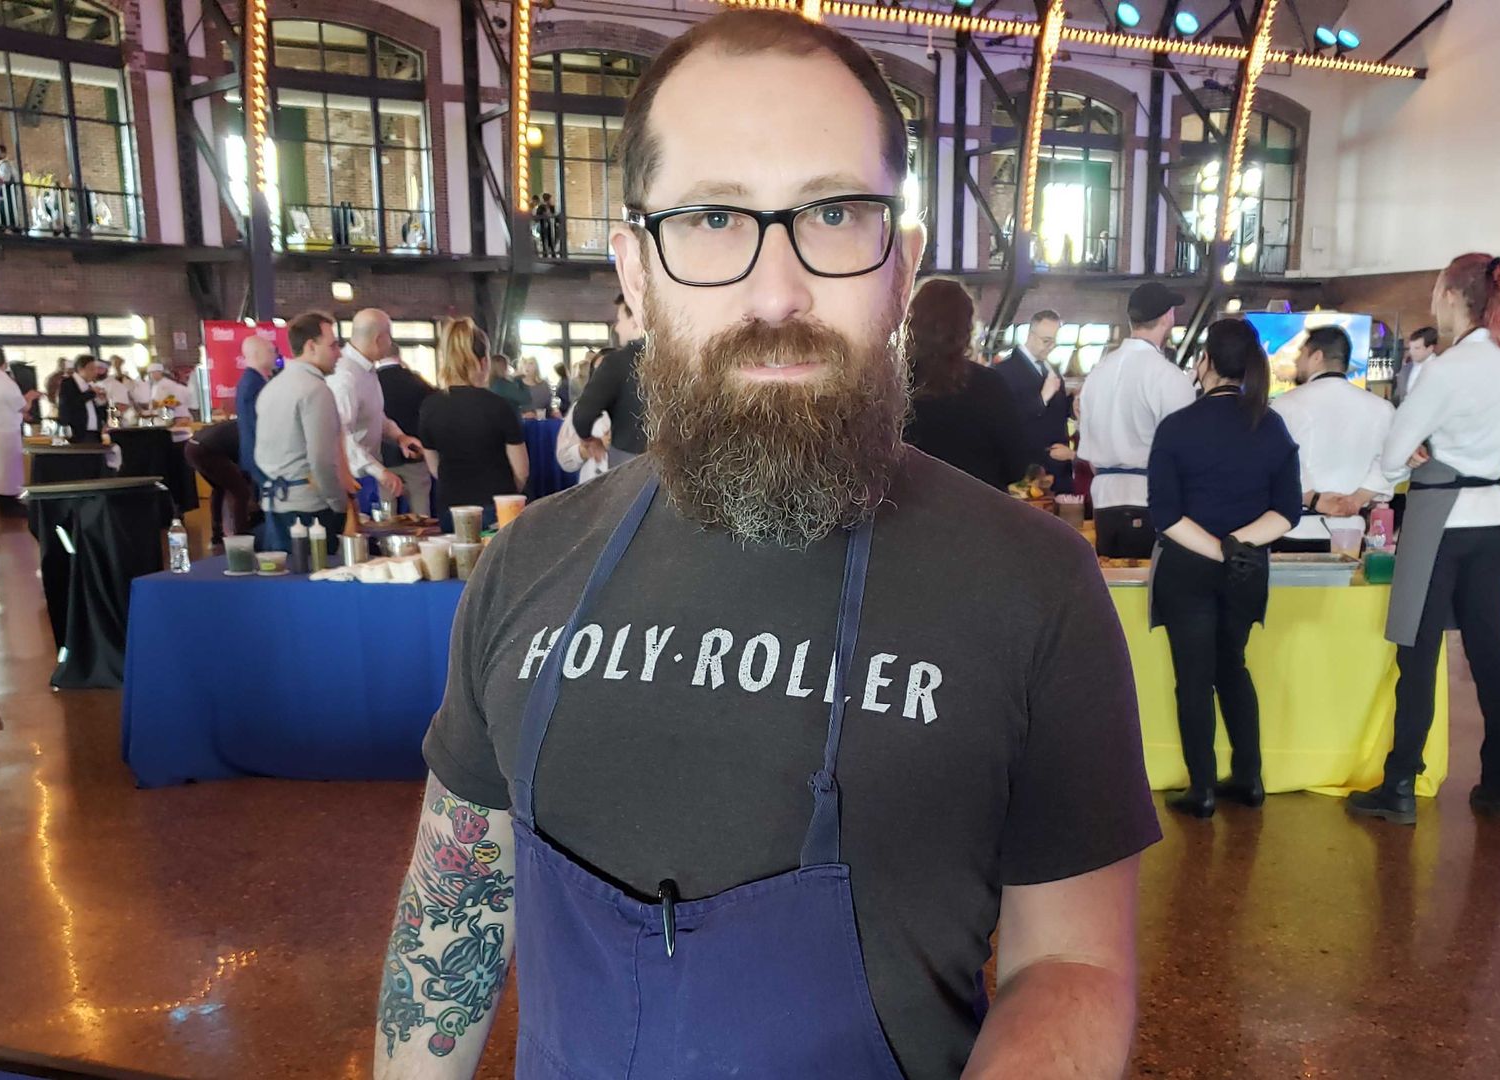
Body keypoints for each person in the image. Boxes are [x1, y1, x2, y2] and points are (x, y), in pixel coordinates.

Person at [375, 12, 1157, 1078]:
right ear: (636, 273)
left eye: (833, 214)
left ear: (900, 266)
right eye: (711, 218)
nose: (777, 292)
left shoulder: (1034, 587)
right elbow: (453, 905)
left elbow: (1070, 962)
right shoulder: (524, 565)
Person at [1347, 253, 1500, 826]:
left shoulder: (1446, 369)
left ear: (1452, 294)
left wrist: (1406, 458)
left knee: (1418, 651)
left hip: (1440, 516)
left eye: (1434, 291)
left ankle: (1400, 784)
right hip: (1492, 515)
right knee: (1488, 652)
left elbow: (1393, 454)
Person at [1147, 318, 1302, 818]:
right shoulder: (1270, 425)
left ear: (1205, 362)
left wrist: (1216, 550)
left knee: (1194, 678)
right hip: (1247, 569)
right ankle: (1249, 777)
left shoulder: (1177, 428)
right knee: (1232, 668)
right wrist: (1237, 547)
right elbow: (1288, 511)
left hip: (1188, 569)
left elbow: (1166, 515)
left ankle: (1203, 790)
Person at [1076, 281, 1196, 559]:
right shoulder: (1168, 376)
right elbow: (1186, 453)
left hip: (1104, 500)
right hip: (1153, 500)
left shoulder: (1098, 372)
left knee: (1113, 583)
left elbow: (1089, 454)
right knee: (1149, 584)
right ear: (1168, 317)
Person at [1269, 326, 1393, 553]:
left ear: (1316, 356)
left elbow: (1278, 462)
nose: (1296, 361)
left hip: (1294, 530)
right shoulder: (1382, 408)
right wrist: (1358, 498)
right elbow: (1394, 462)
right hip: (1352, 532)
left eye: (1301, 354)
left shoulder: (1285, 405)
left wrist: (1313, 498)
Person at [899, 278, 1027, 491]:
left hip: (910, 506)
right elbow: (1016, 468)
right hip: (979, 505)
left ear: (911, 322)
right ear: (967, 329)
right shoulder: (990, 386)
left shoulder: (893, 386)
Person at [416, 318, 528, 531]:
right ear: (483, 362)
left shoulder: (429, 406)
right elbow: (522, 470)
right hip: (496, 505)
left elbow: (434, 466)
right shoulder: (499, 406)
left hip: (451, 505)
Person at [253, 312, 348, 553]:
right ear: (311, 347)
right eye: (333, 345)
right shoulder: (316, 390)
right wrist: (339, 503)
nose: (339, 353)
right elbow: (321, 460)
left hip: (274, 504)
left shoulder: (271, 388)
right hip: (309, 509)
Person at [329, 308, 425, 516]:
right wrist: (379, 472)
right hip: (354, 478)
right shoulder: (346, 377)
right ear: (379, 339)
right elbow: (341, 435)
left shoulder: (366, 370)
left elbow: (376, 415)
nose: (391, 343)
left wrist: (399, 437)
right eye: (389, 337)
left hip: (368, 472)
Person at [992, 310, 1072, 491]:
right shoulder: (1004, 371)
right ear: (1030, 335)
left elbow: (1058, 415)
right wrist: (1042, 399)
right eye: (1046, 341)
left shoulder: (1051, 370)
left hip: (1058, 470)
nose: (1051, 347)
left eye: (1054, 341)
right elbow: (1006, 420)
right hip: (1026, 471)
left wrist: (1072, 403)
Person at [572, 293, 648, 465]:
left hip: (630, 461)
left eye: (619, 320)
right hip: (679, 463)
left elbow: (583, 416)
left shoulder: (617, 362)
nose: (617, 328)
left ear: (635, 320)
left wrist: (589, 439)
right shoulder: (680, 359)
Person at [376, 349, 435, 518]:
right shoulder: (416, 381)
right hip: (415, 455)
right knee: (422, 514)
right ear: (399, 356)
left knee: (387, 516)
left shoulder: (373, 382)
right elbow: (432, 409)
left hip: (384, 459)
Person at [0, 348, 36, 516]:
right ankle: (11, 503)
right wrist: (31, 396)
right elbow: (23, 406)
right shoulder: (6, 382)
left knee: (1, 468)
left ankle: (3, 502)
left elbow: (3, 404)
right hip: (8, 430)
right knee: (11, 469)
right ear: (5, 362)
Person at [184, 419, 250, 549]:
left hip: (191, 447)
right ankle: (242, 540)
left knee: (219, 487)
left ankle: (217, 536)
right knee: (241, 492)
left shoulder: (241, 423)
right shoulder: (250, 429)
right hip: (207, 450)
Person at [235, 334, 277, 487]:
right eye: (270, 351)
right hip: (260, 459)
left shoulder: (254, 381)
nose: (275, 355)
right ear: (257, 354)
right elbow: (258, 425)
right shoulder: (253, 384)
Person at [56, 355, 108, 442]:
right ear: (81, 369)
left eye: (96, 369)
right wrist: (92, 393)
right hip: (77, 433)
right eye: (91, 369)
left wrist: (102, 401)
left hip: (95, 432)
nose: (95, 372)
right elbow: (70, 404)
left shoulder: (91, 385)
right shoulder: (67, 383)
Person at [1393, 326, 1438, 406]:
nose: (1411, 352)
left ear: (1430, 348)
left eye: (1417, 348)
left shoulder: (1441, 369)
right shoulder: (1406, 369)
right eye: (1410, 348)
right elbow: (1397, 397)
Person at [533, 192, 558, 258]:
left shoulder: (552, 207)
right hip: (544, 227)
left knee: (552, 241)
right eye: (550, 199)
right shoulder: (541, 207)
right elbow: (538, 217)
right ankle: (545, 254)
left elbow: (554, 216)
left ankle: (553, 254)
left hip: (551, 226)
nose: (551, 201)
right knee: (545, 241)